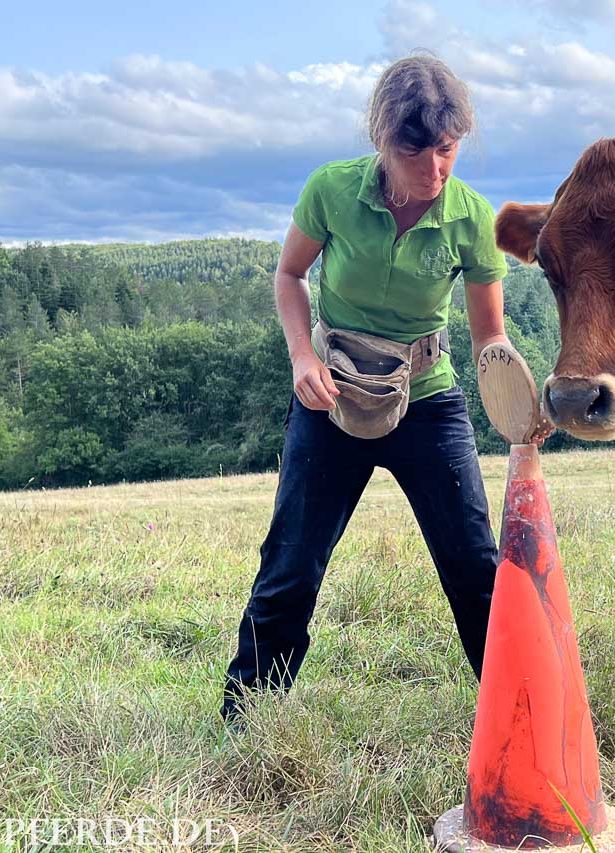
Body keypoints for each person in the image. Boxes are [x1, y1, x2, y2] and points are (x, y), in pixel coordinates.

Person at [220, 53, 548, 721]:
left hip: (428, 399)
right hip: (331, 397)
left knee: (475, 566)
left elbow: (489, 338)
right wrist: (301, 354)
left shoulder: (471, 218)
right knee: (291, 564)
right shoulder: (331, 191)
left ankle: (524, 718)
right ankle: (247, 718)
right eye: (414, 149)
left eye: (448, 150)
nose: (434, 169)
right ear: (381, 139)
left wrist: (520, 394)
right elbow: (289, 277)